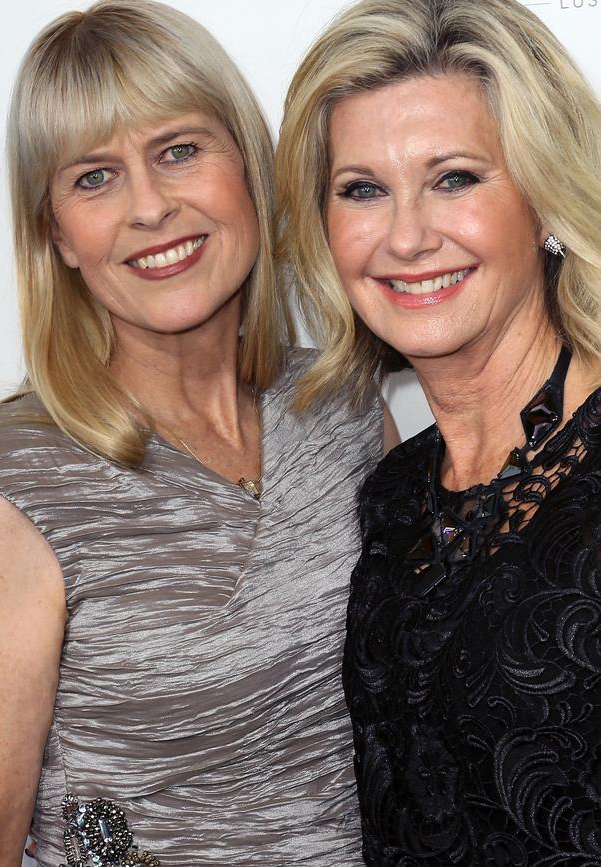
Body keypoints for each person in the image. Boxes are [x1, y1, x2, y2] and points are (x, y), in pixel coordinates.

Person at [0, 2, 398, 865]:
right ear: (58, 235)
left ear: (249, 169)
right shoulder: (3, 493)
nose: (150, 207)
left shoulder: (344, 402)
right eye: (93, 177)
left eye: (179, 151)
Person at [276, 0, 601, 862]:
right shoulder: (394, 493)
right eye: (362, 190)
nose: (408, 236)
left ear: (544, 197)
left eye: (453, 177)